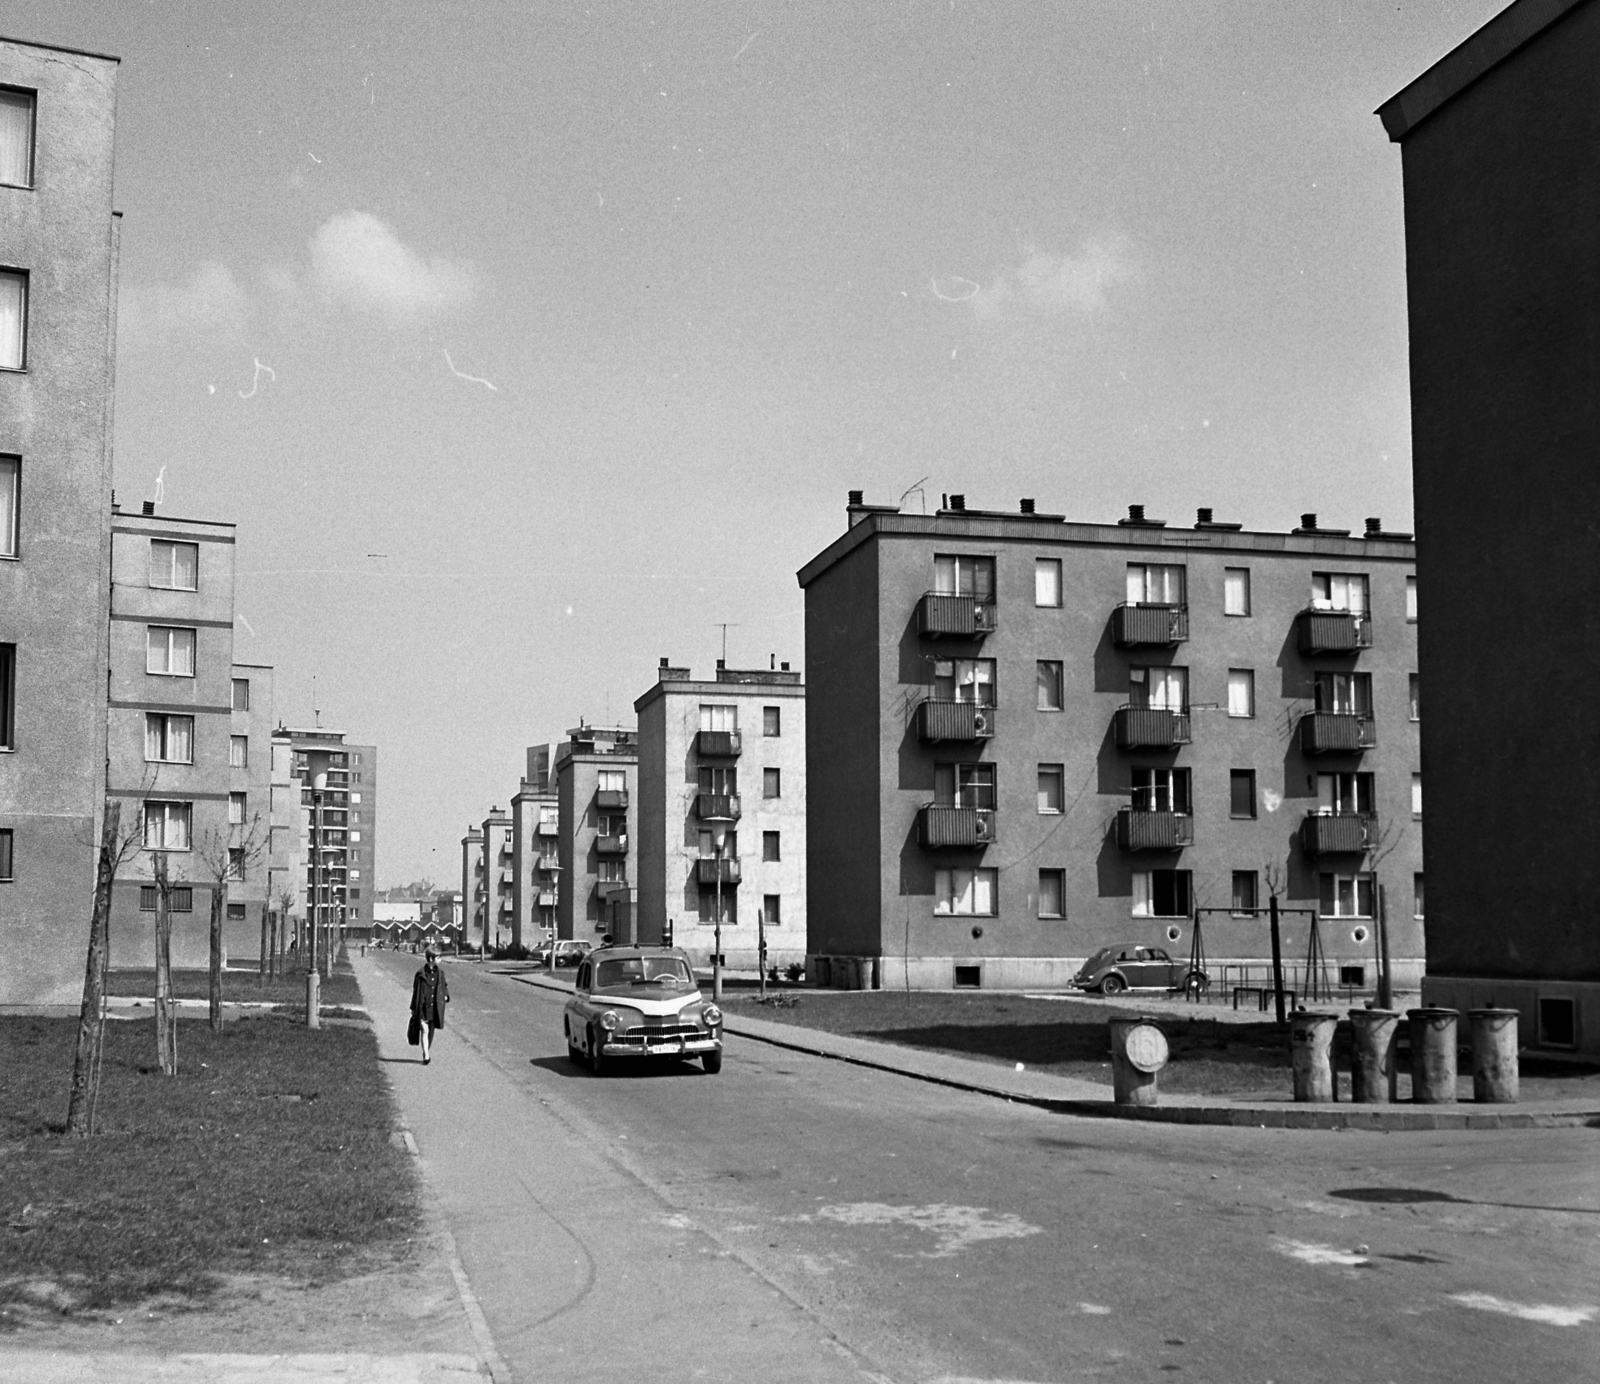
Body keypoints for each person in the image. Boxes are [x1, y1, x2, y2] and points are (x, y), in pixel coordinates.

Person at [409, 947, 450, 1064]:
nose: (440, 959)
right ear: (431, 959)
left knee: (431, 1031)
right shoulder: (420, 974)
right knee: (424, 1030)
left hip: (435, 1007)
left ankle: (426, 1050)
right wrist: (413, 1007)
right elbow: (415, 991)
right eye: (438, 957)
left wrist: (446, 995)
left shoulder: (440, 973)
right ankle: (426, 1055)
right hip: (422, 1007)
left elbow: (444, 986)